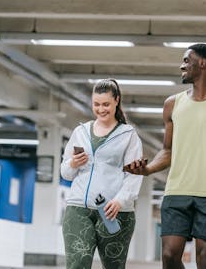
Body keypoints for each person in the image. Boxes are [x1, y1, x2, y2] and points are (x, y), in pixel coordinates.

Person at [124, 43, 206, 269]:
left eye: (186, 60)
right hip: (176, 191)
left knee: (205, 257)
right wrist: (148, 169)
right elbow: (167, 150)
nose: (182, 66)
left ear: (203, 63)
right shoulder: (172, 104)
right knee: (170, 256)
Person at [60, 78, 144, 269]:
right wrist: (73, 163)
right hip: (78, 208)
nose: (101, 109)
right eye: (96, 104)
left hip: (114, 211)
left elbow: (135, 174)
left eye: (106, 104)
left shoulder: (128, 135)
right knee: (78, 264)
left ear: (117, 100)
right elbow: (65, 173)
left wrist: (120, 201)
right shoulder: (80, 132)